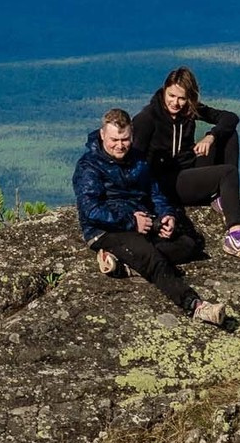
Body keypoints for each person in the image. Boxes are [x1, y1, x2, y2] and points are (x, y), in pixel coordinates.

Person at [73, 108, 227, 326]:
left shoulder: (138, 160)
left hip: (141, 223)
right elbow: (91, 210)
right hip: (106, 230)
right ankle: (196, 306)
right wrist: (131, 221)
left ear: (132, 135)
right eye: (114, 139)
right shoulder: (89, 167)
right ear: (102, 135)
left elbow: (155, 193)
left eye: (125, 139)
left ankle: (123, 263)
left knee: (190, 244)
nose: (120, 145)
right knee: (153, 260)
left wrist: (166, 216)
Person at [131, 66, 240, 263]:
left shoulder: (188, 111)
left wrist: (211, 136)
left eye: (182, 98)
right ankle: (236, 236)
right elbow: (134, 161)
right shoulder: (147, 119)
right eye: (171, 95)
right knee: (228, 173)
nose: (176, 102)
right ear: (164, 91)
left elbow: (230, 118)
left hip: (188, 170)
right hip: (167, 183)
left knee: (228, 133)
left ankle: (223, 199)